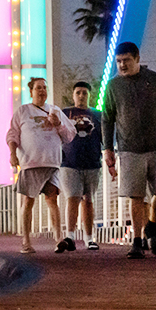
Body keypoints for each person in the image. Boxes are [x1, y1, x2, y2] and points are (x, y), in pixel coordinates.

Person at [103, 41, 156, 258]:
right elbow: (107, 119)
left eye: (127, 61)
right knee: (136, 195)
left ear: (137, 59)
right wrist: (108, 149)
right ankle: (137, 241)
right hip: (129, 149)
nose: (122, 65)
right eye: (119, 61)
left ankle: (152, 225)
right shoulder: (113, 87)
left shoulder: (154, 80)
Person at [5, 77, 75, 254]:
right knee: (29, 200)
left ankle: (58, 239)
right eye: (38, 88)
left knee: (53, 200)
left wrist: (57, 123)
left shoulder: (55, 111)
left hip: (51, 162)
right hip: (30, 163)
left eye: (44, 87)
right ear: (31, 92)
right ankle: (26, 241)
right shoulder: (22, 111)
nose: (42, 91)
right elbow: (12, 135)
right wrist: (13, 154)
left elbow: (69, 136)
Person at [59, 81, 104, 251]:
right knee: (72, 197)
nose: (81, 96)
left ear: (89, 95)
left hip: (92, 162)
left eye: (84, 93)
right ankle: (70, 235)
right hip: (70, 162)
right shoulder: (65, 113)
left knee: (89, 199)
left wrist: (108, 155)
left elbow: (105, 137)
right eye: (78, 92)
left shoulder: (98, 115)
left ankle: (89, 237)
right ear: (73, 95)